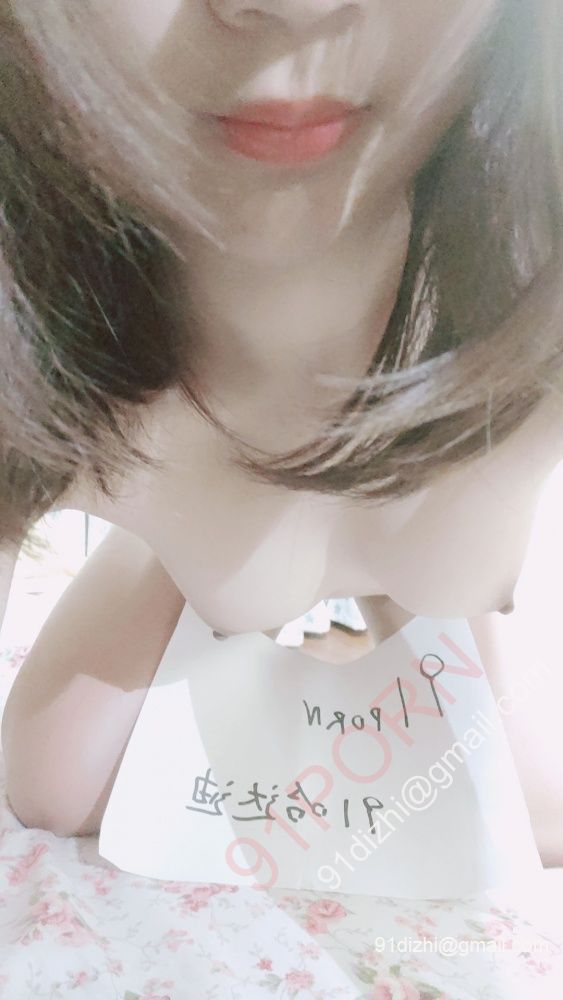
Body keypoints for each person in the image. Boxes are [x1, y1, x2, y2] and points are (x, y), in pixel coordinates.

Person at [0, 0, 562, 865]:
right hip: (183, 525)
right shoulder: (39, 301)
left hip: (453, 519)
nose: (297, 6)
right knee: (51, 784)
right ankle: (186, 561)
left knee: (537, 811)